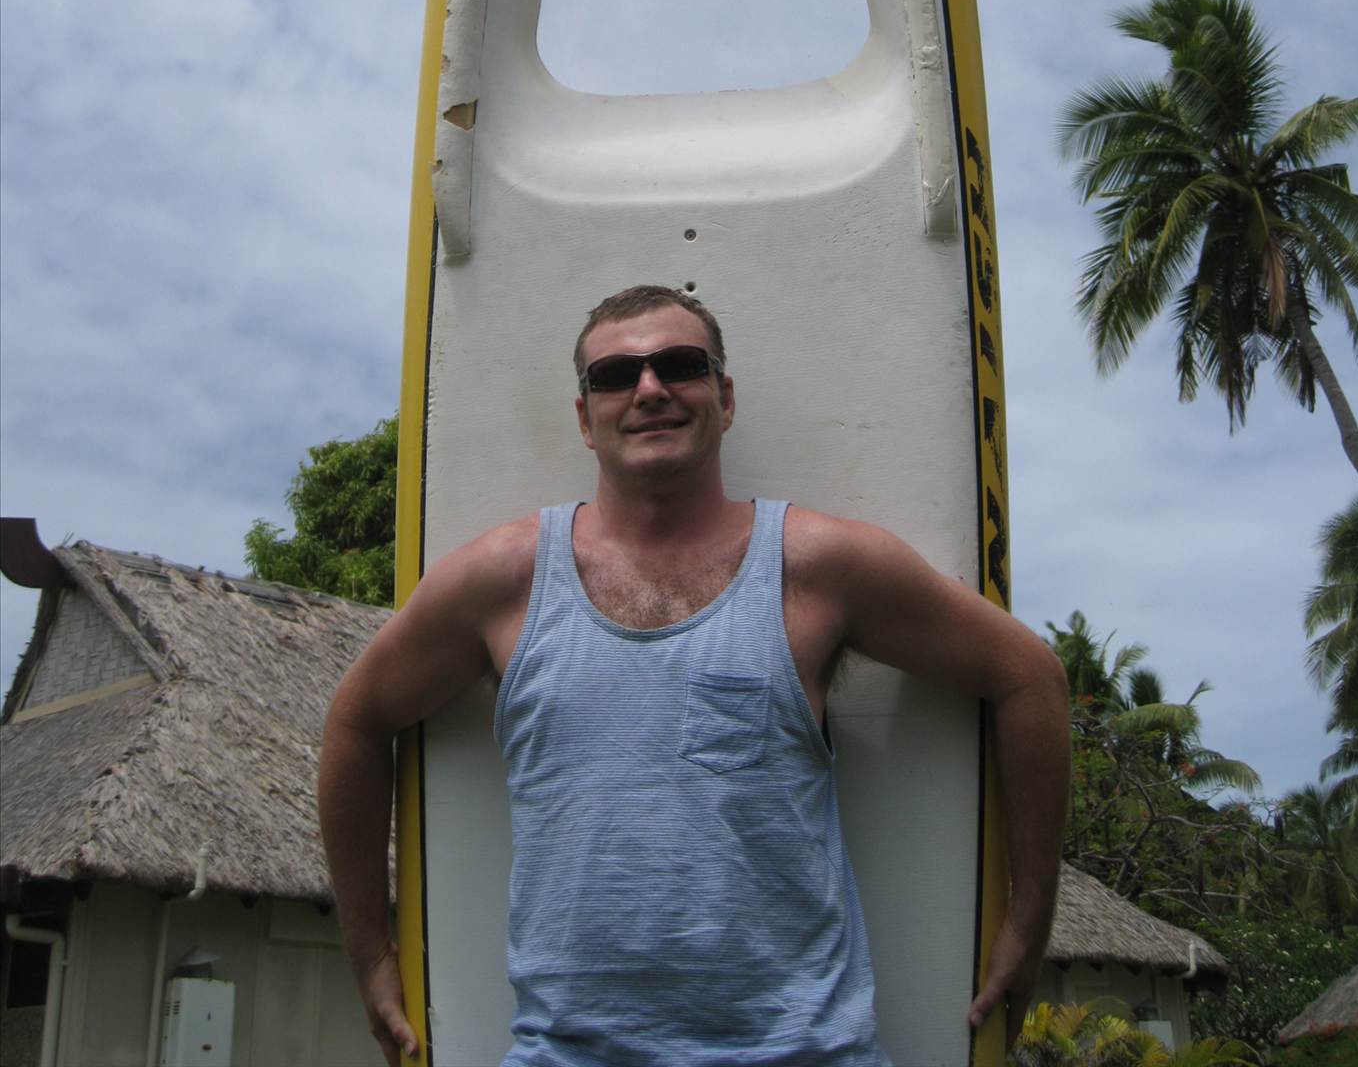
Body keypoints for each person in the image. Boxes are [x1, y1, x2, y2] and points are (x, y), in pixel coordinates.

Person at [319, 284, 1069, 1067]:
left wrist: (1030, 918)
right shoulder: (503, 581)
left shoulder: (817, 568)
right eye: (615, 376)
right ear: (585, 418)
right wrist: (370, 953)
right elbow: (357, 720)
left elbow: (1029, 677)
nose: (650, 389)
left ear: (725, 397)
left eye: (680, 365)